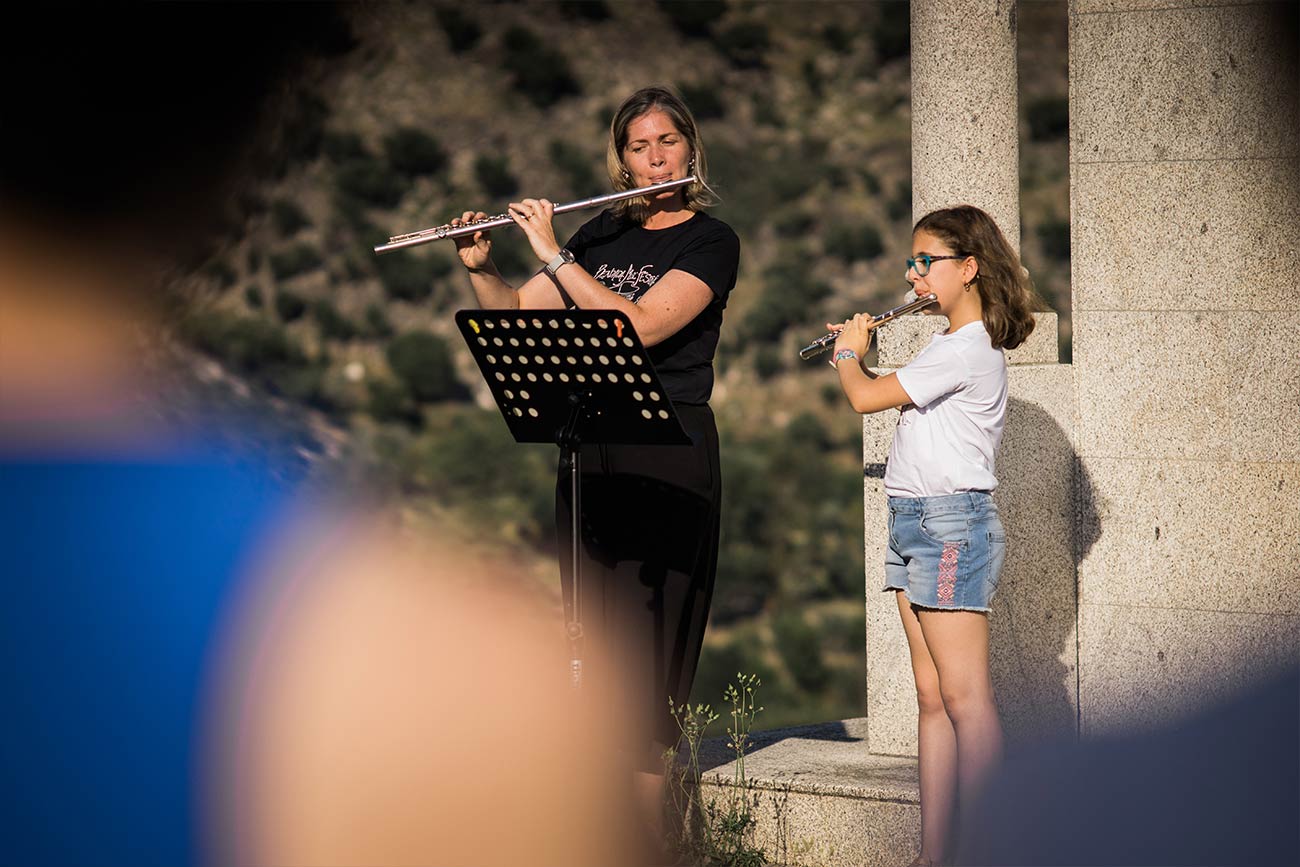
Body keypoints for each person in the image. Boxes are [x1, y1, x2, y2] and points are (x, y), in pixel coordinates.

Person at [449, 85, 740, 840]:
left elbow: (638, 326)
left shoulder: (710, 241)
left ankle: (648, 844)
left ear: (690, 149)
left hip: (669, 452)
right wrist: (481, 265)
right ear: (621, 158)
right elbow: (515, 311)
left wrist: (554, 251)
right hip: (594, 453)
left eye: (666, 143)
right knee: (594, 651)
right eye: (639, 147)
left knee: (649, 662)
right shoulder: (605, 234)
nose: (654, 158)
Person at [827, 205, 1038, 867]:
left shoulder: (967, 347)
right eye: (910, 262)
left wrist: (846, 353)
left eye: (927, 262)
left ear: (968, 268)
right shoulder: (945, 345)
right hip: (912, 521)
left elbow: (864, 396)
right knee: (930, 694)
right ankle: (934, 854)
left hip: (950, 526)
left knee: (966, 696)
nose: (913, 274)